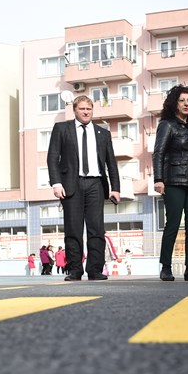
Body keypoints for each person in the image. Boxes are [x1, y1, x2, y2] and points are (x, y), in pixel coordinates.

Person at [47, 95, 121, 281]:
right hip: (71, 184)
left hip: (96, 184)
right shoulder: (62, 129)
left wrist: (115, 187)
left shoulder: (102, 133)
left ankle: (95, 269)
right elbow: (52, 157)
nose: (86, 112)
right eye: (82, 109)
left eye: (89, 109)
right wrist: (56, 183)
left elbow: (111, 162)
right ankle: (75, 270)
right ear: (75, 110)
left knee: (96, 229)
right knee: (73, 230)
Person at [152, 84, 188, 282]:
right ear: (174, 103)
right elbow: (158, 152)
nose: (186, 104)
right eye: (182, 101)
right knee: (173, 225)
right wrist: (158, 179)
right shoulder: (167, 124)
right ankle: (166, 267)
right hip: (174, 180)